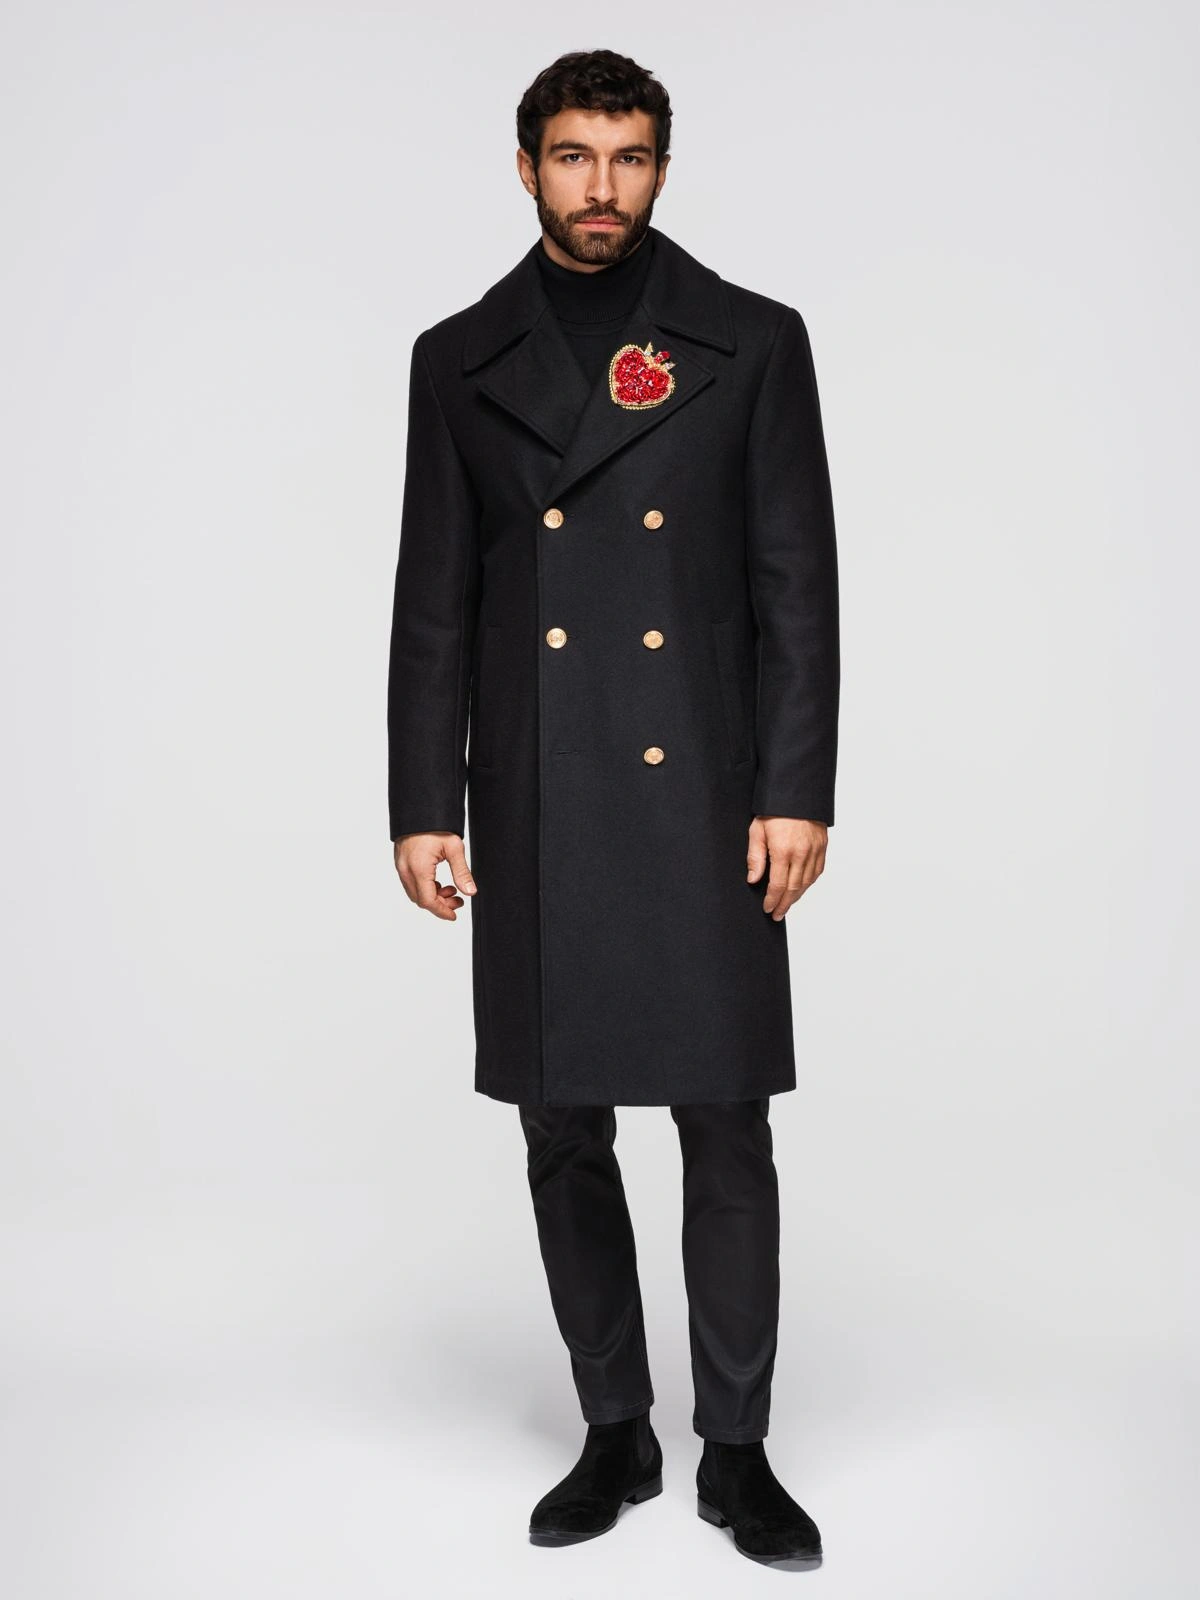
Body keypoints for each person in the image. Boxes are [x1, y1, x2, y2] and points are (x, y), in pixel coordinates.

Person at [387, 48, 839, 1569]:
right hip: (536, 789)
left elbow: (795, 585)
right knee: (561, 1123)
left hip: (702, 789)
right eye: (575, 156)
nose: (603, 187)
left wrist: (795, 788)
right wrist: (422, 800)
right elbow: (434, 599)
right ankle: (615, 1432)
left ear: (661, 167)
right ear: (526, 167)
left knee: (727, 1119)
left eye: (630, 156)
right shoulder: (458, 358)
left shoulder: (750, 340)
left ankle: (738, 1452)